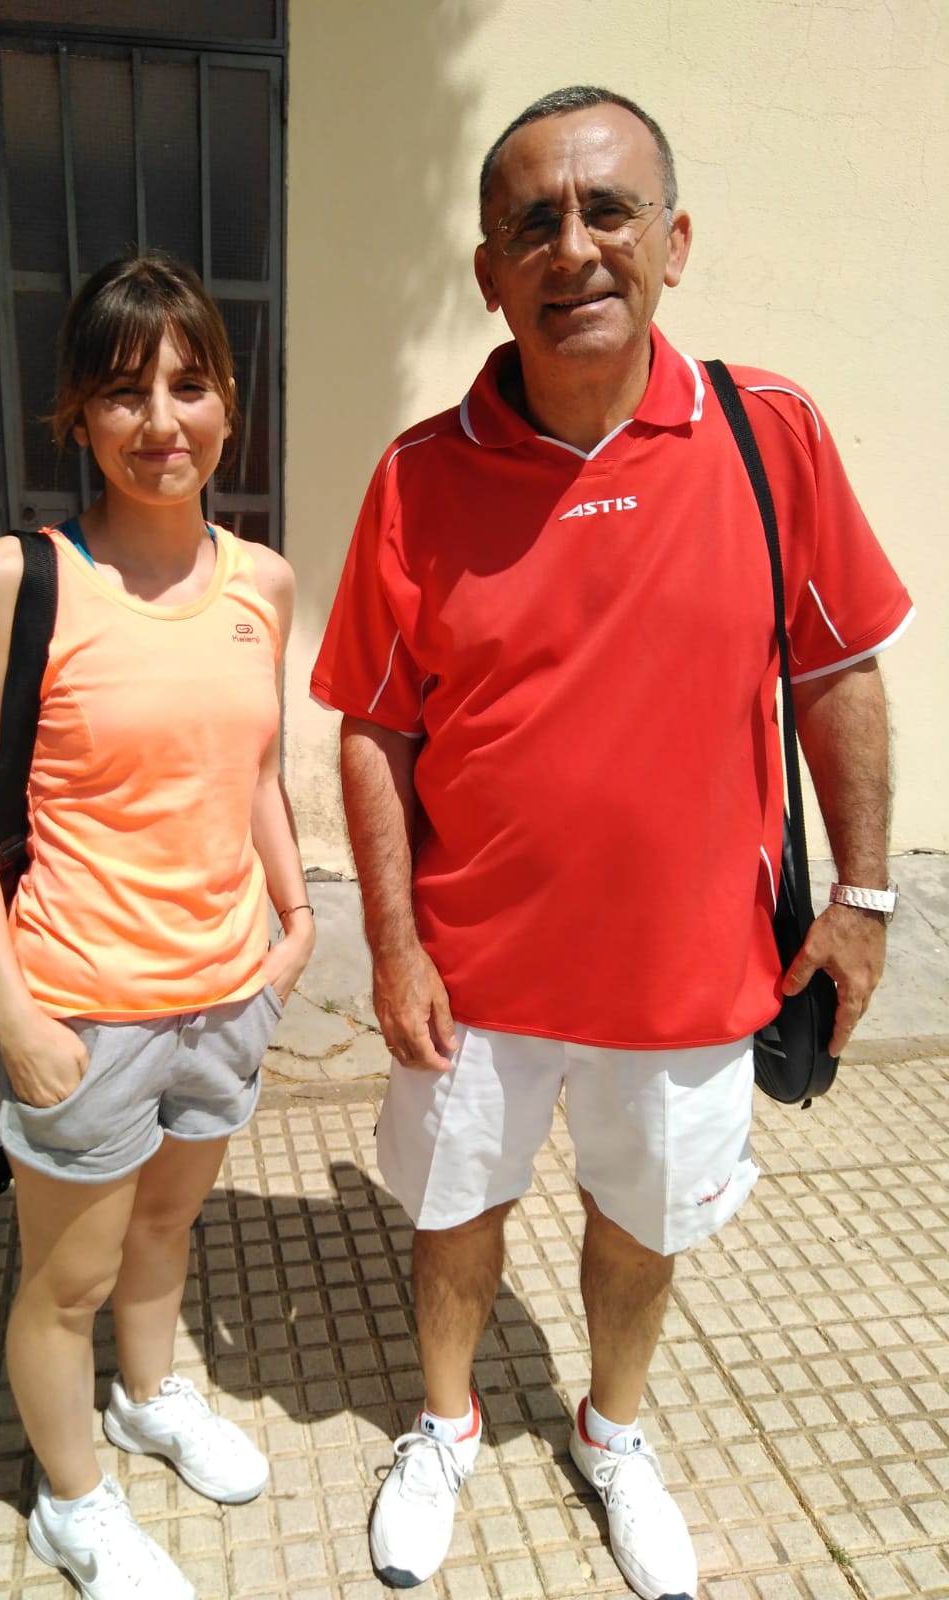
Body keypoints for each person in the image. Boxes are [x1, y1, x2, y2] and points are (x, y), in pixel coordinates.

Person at [311, 86, 912, 1599]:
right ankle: (445, 1424)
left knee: (642, 1229)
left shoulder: (770, 436)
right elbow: (374, 728)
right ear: (489, 272)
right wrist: (392, 943)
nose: (572, 246)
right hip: (473, 977)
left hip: (691, 976)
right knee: (455, 1213)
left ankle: (613, 1432)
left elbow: (837, 668)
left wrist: (864, 896)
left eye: (608, 210)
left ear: (674, 241)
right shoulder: (418, 476)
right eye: (533, 222)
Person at [0, 252, 314, 1600]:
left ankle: (149, 1402)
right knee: (67, 1281)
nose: (161, 421)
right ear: (77, 417)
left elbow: (255, 769)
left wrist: (296, 921)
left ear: (229, 406)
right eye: (123, 392)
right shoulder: (16, 580)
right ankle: (72, 1505)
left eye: (190, 385)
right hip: (81, 1007)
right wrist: (14, 1017)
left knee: (165, 1235)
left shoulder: (262, 582)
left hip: (226, 993)